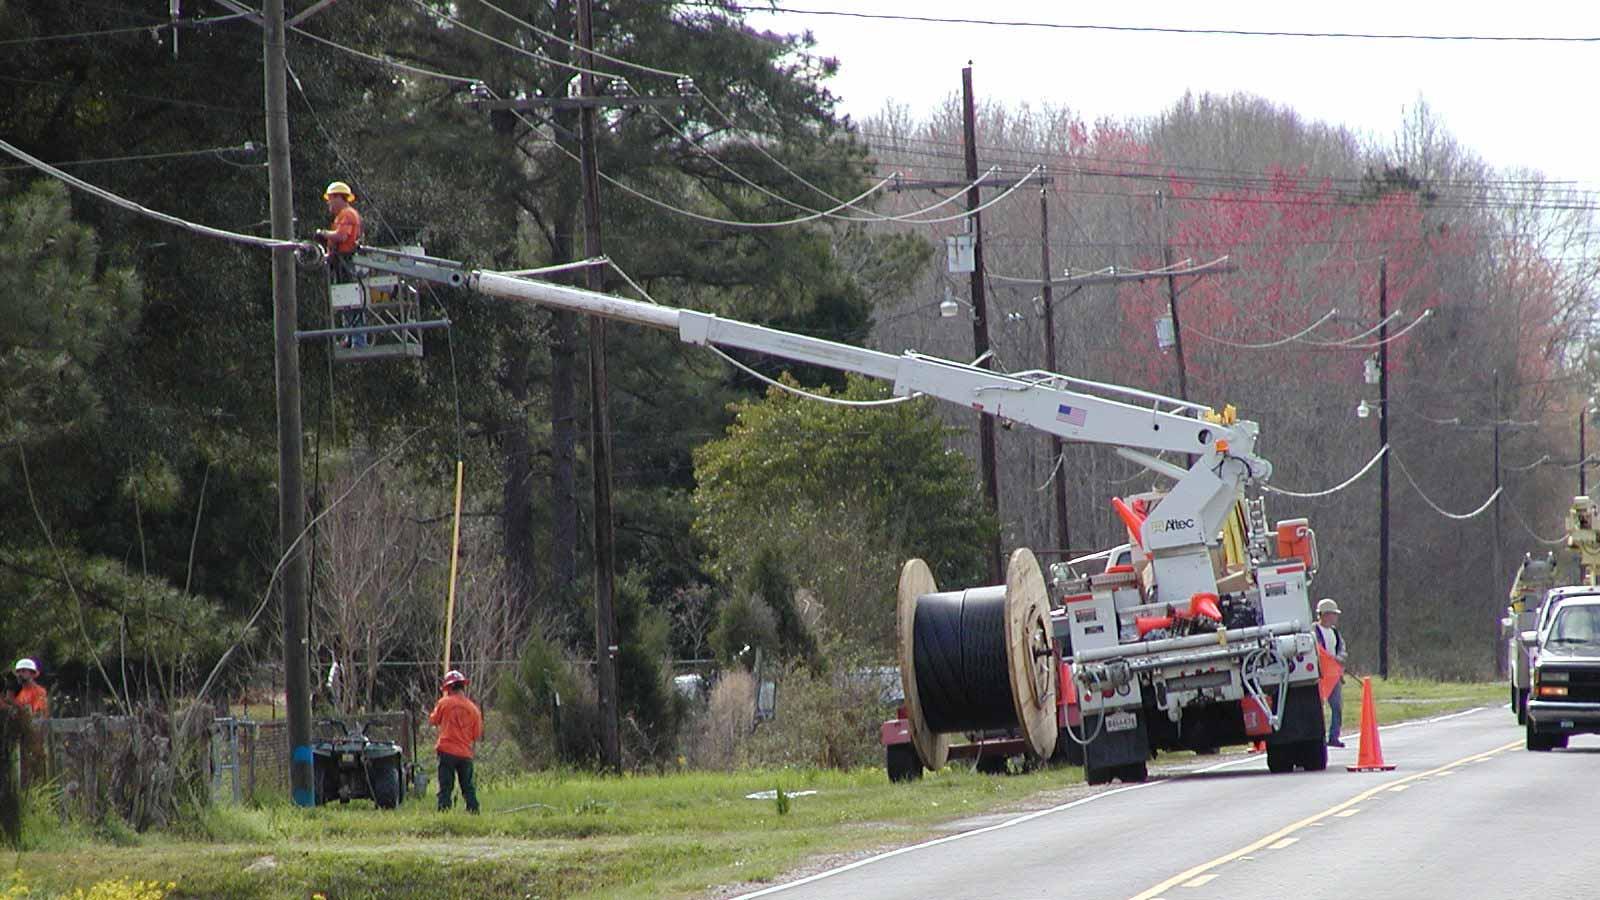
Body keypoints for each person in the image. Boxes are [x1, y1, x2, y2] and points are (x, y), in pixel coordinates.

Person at [314, 181, 365, 347]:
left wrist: (323, 233)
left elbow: (342, 236)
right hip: (340, 262)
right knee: (344, 300)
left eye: (330, 198)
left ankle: (357, 340)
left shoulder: (347, 214)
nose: (328, 202)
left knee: (350, 300)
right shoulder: (342, 216)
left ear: (339, 198)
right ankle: (349, 337)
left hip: (346, 262)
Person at [428, 669, 482, 813]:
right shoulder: (474, 709)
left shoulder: (444, 703)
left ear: (449, 688)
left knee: (446, 785)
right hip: (465, 754)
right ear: (463, 687)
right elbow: (476, 734)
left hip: (446, 751)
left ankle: (444, 810)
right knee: (468, 786)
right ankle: (473, 810)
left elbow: (433, 720)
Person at [1314, 598, 1348, 747]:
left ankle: (1334, 736)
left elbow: (1342, 650)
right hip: (1319, 676)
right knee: (1318, 708)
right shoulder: (1313, 632)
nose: (1335, 617)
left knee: (1337, 707)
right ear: (1325, 614)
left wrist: (1337, 660)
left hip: (1334, 677)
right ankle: (1318, 737)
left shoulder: (1335, 632)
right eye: (1333, 614)